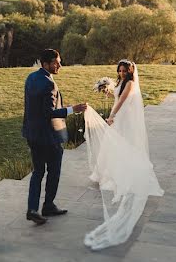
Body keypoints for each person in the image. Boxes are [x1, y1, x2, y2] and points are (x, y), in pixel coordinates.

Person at [82, 59, 163, 249]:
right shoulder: (121, 83)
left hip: (123, 119)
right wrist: (108, 92)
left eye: (124, 70)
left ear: (130, 71)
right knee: (113, 146)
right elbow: (118, 98)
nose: (121, 73)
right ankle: (107, 172)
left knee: (121, 145)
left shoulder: (131, 83)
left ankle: (123, 172)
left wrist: (111, 116)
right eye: (119, 70)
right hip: (120, 116)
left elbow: (123, 101)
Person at [22, 49, 87, 225]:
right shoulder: (49, 83)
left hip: (32, 134)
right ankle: (48, 205)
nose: (59, 65)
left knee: (38, 172)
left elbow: (36, 108)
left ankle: (32, 209)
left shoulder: (31, 78)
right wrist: (73, 109)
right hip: (49, 136)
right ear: (45, 64)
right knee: (54, 171)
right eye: (56, 62)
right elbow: (48, 113)